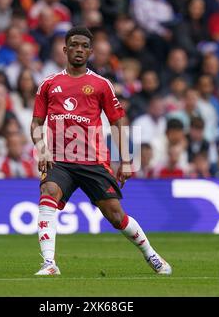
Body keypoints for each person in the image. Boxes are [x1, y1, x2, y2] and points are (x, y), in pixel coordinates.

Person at [30, 26, 171, 276]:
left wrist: (125, 160)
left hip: (93, 160)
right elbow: (36, 123)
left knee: (116, 216)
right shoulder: (49, 84)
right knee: (48, 192)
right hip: (59, 160)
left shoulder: (101, 84)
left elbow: (117, 122)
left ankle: (151, 254)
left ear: (91, 52)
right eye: (74, 45)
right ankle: (49, 263)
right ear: (65, 49)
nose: (79, 50)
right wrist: (42, 149)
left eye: (84, 46)